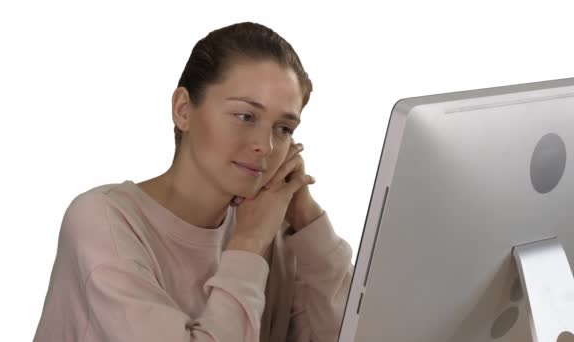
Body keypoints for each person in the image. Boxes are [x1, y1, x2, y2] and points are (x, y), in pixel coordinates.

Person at [33, 22, 353, 342]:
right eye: (245, 116)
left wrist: (305, 218)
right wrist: (249, 243)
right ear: (183, 110)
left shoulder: (276, 233)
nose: (266, 146)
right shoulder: (103, 221)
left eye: (283, 128)